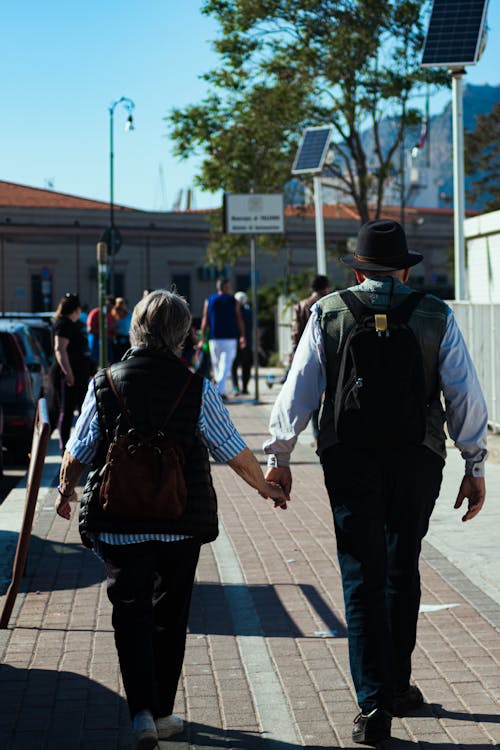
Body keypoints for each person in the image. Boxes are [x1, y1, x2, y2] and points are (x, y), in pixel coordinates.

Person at [263, 219, 488, 745]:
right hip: (418, 457)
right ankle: (399, 684)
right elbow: (465, 397)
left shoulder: (329, 312)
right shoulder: (436, 314)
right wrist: (474, 466)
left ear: (358, 268)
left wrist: (279, 455)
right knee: (402, 565)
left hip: (349, 457)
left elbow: (299, 391)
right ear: (406, 267)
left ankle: (372, 706)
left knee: (362, 574)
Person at [54, 290, 287, 750]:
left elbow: (78, 447)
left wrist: (65, 489)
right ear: (183, 334)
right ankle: (161, 711)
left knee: (129, 613)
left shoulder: (105, 381)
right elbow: (230, 449)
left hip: (118, 518)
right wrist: (264, 486)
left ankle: (140, 712)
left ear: (136, 328)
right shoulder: (194, 385)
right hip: (180, 517)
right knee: (170, 613)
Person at [49, 293, 92, 454]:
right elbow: (60, 349)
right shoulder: (64, 324)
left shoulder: (71, 324)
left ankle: (80, 445)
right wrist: (68, 373)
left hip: (78, 375)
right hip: (67, 375)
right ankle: (64, 448)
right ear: (76, 309)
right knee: (66, 411)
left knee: (81, 410)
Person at [290, 274, 330, 441]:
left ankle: (315, 432)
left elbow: (295, 333)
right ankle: (325, 432)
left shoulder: (301, 306)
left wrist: (294, 354)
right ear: (325, 287)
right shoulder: (328, 304)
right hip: (327, 355)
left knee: (312, 396)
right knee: (328, 395)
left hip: (307, 356)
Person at [199, 278, 245, 400]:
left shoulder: (209, 300)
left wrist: (202, 338)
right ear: (225, 287)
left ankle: (221, 391)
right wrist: (242, 336)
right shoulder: (233, 300)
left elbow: (205, 320)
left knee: (217, 366)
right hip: (230, 337)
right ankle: (219, 390)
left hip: (214, 338)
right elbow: (239, 319)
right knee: (225, 365)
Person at [231, 291, 253, 395]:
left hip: (235, 342)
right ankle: (244, 387)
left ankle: (236, 387)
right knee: (246, 366)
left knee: (234, 366)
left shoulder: (232, 312)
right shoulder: (248, 311)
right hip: (246, 342)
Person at [87, 296, 116, 365]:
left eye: (112, 306)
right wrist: (102, 332)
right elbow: (89, 329)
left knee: (109, 362)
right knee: (95, 362)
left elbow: (112, 329)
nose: (110, 308)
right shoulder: (95, 312)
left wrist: (113, 330)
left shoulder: (111, 315)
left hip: (108, 342)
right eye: (109, 306)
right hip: (96, 341)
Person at [111, 297, 132, 361]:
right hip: (117, 339)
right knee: (117, 357)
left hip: (127, 338)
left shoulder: (129, 315)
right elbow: (111, 326)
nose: (122, 306)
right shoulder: (113, 314)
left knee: (127, 357)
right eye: (120, 304)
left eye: (123, 304)